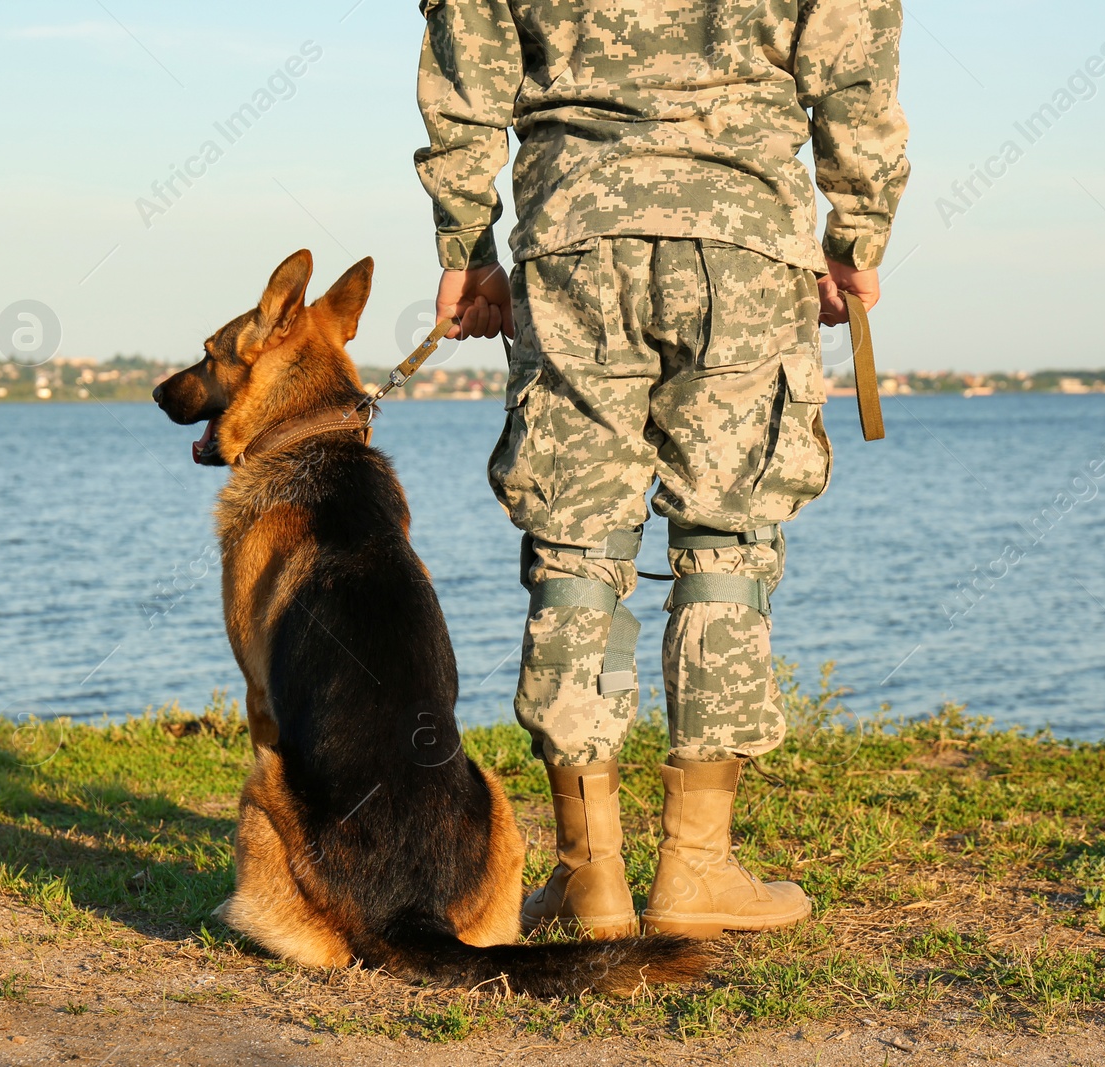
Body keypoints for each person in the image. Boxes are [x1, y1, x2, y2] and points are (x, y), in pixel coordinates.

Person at [415, 0, 909, 939]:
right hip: (745, 232)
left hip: (575, 233)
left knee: (575, 544)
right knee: (728, 538)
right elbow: (856, 67)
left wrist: (466, 250)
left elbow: (464, 81)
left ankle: (588, 876)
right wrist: (856, 240)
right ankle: (697, 866)